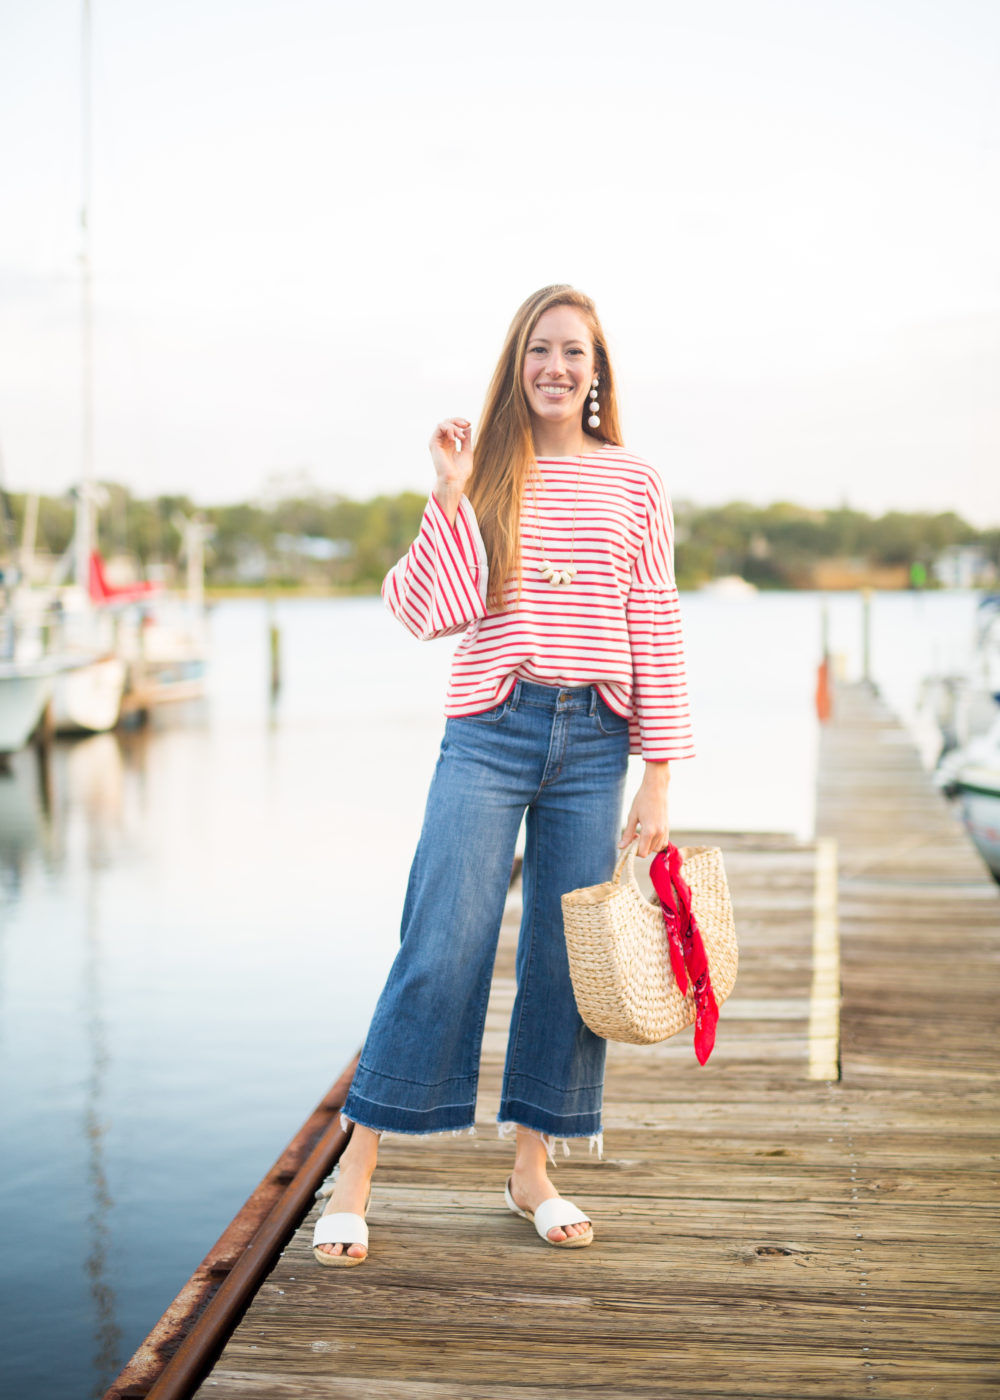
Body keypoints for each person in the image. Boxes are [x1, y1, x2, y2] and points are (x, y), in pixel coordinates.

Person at [313, 285, 694, 1265]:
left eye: (574, 352)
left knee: (563, 959)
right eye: (539, 350)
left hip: (595, 738)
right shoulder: (485, 468)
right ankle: (354, 1167)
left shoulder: (636, 480)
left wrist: (660, 771)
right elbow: (426, 609)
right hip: (490, 725)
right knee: (441, 940)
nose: (556, 367)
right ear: (516, 363)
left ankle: (532, 1165)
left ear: (597, 370)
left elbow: (653, 620)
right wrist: (447, 493)